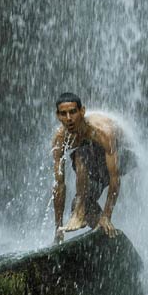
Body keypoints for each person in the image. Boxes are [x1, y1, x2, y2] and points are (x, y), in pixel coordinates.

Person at [52, 92, 122, 243]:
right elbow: (59, 186)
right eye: (64, 114)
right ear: (58, 116)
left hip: (125, 153)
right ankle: (108, 236)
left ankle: (83, 213)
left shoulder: (102, 132)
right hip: (96, 160)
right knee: (81, 205)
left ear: (82, 111)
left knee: (81, 153)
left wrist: (107, 215)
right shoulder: (60, 139)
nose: (69, 118)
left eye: (73, 112)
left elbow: (115, 179)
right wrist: (58, 229)